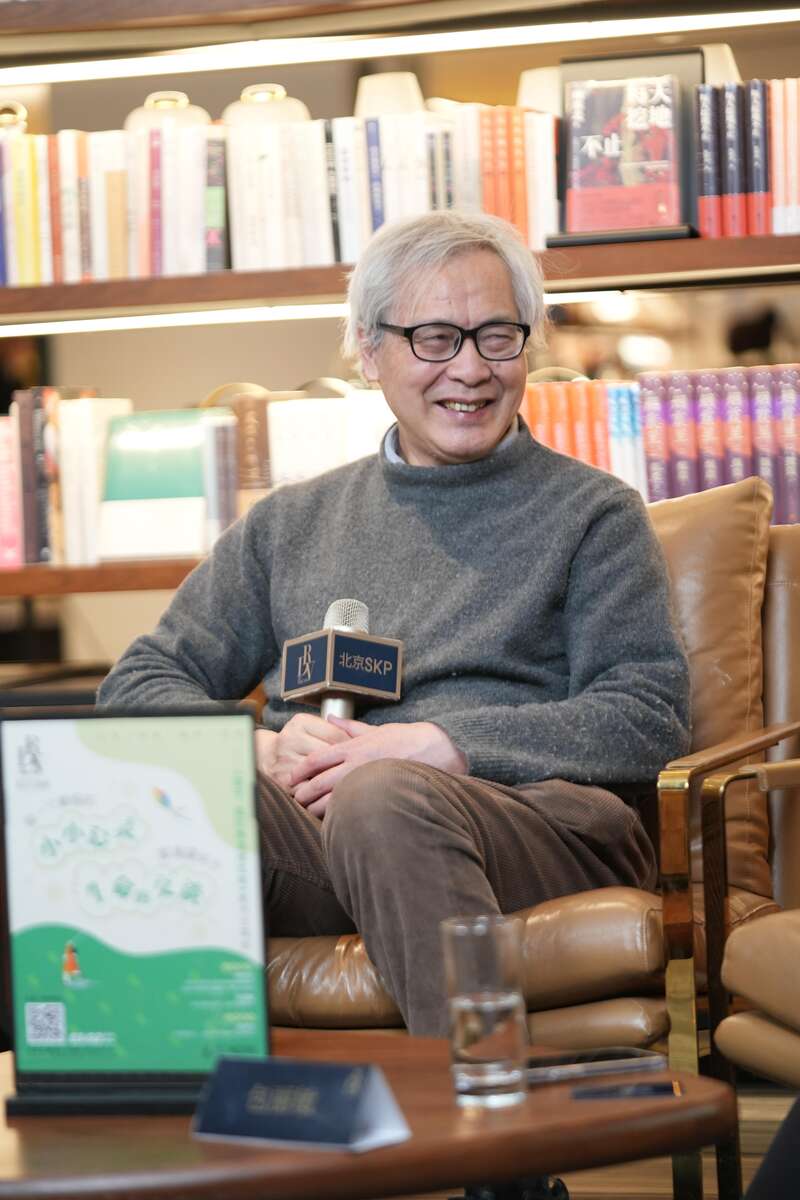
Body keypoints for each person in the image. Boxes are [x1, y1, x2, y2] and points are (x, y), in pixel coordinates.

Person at [97, 210, 691, 1036]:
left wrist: (444, 747)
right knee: (116, 783)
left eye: (497, 337)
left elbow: (645, 717)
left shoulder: (595, 516)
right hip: (329, 842)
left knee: (383, 796)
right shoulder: (291, 524)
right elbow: (136, 685)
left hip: (537, 829)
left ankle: (488, 1114)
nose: (471, 369)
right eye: (435, 338)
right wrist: (259, 751)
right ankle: (143, 1107)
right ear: (369, 352)